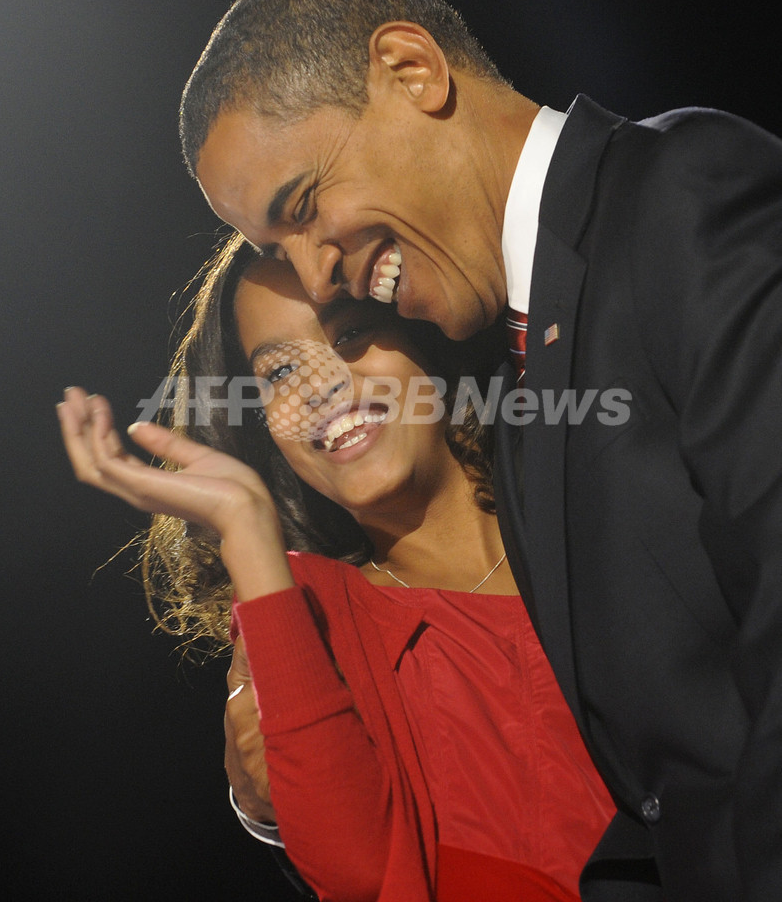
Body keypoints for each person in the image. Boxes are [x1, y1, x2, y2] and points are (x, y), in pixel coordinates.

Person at [176, 0, 782, 901]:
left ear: (412, 71)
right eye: (275, 250)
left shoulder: (679, 195)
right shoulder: (528, 390)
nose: (317, 271)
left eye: (303, 208)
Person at [58, 235, 616, 902]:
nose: (322, 386)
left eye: (350, 333)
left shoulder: (598, 503)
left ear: (427, 341)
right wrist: (246, 528)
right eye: (281, 375)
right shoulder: (312, 615)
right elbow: (355, 872)